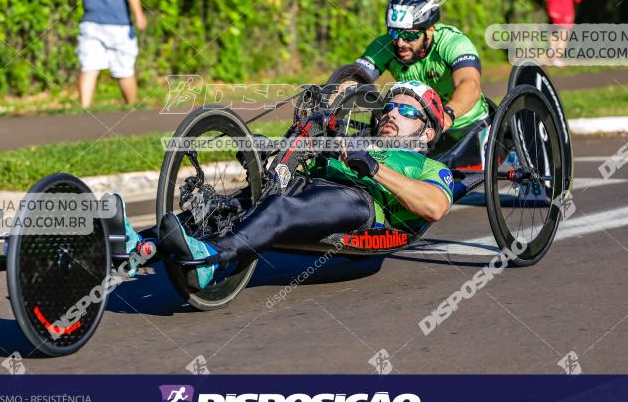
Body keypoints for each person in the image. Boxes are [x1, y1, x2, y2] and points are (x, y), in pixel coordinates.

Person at [156, 81, 454, 291]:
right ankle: (139, 244)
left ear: (427, 132)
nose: (392, 114)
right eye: (390, 107)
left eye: (408, 112)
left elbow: (435, 206)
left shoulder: (429, 167)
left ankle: (212, 260)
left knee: (279, 207)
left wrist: (373, 167)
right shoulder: (356, 139)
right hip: (311, 185)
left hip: (361, 202)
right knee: (224, 207)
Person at [335, 0, 490, 148]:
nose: (400, 42)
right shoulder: (385, 45)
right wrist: (328, 105)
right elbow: (353, 79)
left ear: (429, 30)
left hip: (467, 126)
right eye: (394, 33)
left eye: (409, 35)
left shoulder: (453, 42)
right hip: (418, 130)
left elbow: (470, 84)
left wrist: (447, 115)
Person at [541, 0, 582, 66]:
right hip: (567, 12)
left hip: (553, 11)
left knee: (555, 32)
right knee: (564, 34)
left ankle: (552, 49)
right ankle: (557, 58)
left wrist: (550, 2)